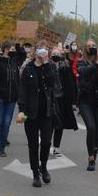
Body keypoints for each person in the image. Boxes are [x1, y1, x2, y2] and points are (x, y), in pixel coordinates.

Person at [17, 48, 57, 187]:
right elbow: (22, 91)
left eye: (45, 51)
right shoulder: (28, 69)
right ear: (34, 52)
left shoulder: (50, 67)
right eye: (39, 50)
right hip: (31, 113)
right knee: (33, 145)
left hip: (46, 112)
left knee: (46, 142)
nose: (42, 53)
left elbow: (52, 83)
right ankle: (35, 174)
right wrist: (21, 110)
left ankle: (44, 167)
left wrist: (46, 64)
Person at [77, 39, 98, 171]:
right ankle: (91, 158)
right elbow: (84, 73)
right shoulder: (80, 62)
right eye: (88, 46)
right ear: (85, 49)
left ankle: (94, 153)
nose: (91, 48)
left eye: (93, 45)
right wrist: (96, 63)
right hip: (85, 101)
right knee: (91, 128)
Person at [50, 47, 78, 156]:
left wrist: (73, 101)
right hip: (50, 99)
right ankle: (46, 142)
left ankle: (57, 147)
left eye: (58, 53)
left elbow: (70, 84)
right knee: (49, 124)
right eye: (54, 53)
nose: (56, 55)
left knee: (59, 124)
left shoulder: (65, 67)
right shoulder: (46, 66)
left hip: (62, 99)